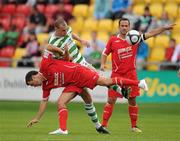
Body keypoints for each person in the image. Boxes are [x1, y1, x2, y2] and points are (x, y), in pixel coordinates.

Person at [25, 52, 148, 135]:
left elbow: (48, 48)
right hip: (73, 84)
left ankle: (138, 83)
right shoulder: (46, 86)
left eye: (32, 83)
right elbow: (44, 101)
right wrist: (37, 118)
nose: (34, 86)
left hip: (81, 73)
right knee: (63, 102)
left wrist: (63, 51)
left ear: (34, 76)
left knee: (106, 82)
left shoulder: (45, 65)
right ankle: (64, 129)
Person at [100, 18, 175, 133]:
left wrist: (163, 28)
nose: (124, 27)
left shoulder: (135, 38)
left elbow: (151, 33)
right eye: (122, 25)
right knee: (111, 99)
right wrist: (102, 64)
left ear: (129, 27)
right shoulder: (113, 40)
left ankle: (134, 126)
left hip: (131, 74)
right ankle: (104, 126)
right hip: (117, 74)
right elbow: (105, 53)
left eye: (126, 25)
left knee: (132, 100)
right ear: (118, 27)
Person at [46, 17, 130, 99]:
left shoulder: (67, 30)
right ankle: (124, 89)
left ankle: (121, 91)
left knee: (88, 94)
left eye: (66, 29)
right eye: (63, 30)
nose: (65, 31)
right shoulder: (54, 43)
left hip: (81, 61)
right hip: (74, 68)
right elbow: (62, 60)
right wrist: (65, 53)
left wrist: (81, 40)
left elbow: (70, 33)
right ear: (56, 29)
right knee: (100, 80)